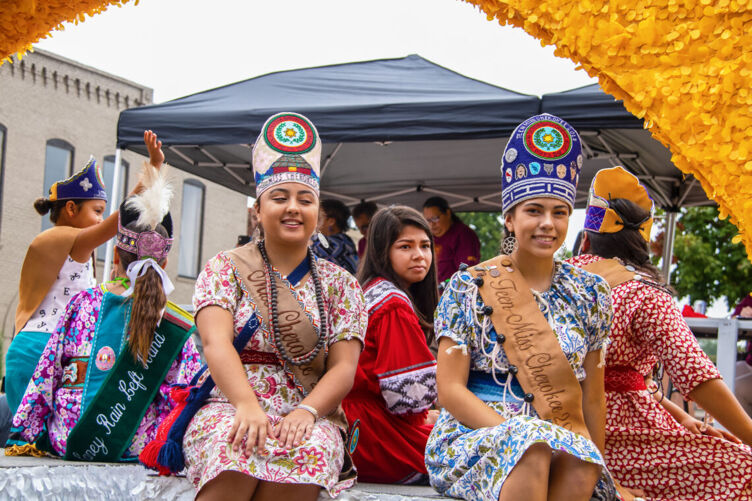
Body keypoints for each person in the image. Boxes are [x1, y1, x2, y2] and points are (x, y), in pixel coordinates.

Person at [425, 114, 619, 501]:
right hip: (474, 436)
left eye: (559, 212)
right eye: (534, 211)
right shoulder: (469, 286)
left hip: (560, 434)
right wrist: (518, 434)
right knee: (532, 448)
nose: (548, 223)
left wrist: (597, 461)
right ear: (510, 219)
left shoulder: (591, 293)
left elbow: (592, 398)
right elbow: (449, 391)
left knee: (581, 460)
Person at [182, 112, 367, 500]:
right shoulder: (226, 268)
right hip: (231, 402)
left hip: (309, 410)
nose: (293, 208)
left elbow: (344, 368)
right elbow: (216, 345)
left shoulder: (341, 284)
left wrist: (306, 413)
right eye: (279, 198)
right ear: (258, 209)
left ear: (318, 212)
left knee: (307, 453)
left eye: (306, 199)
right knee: (232, 447)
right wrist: (246, 406)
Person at [569, 166, 752, 500]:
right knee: (744, 469)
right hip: (621, 440)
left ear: (587, 235)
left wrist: (680, 415)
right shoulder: (642, 293)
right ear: (643, 238)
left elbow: (620, 379)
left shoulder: (559, 279)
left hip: (561, 431)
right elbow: (697, 377)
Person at [7, 162, 202, 460]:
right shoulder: (176, 322)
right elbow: (187, 393)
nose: (100, 217)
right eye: (97, 210)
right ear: (163, 264)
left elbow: (47, 376)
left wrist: (32, 433)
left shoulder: (84, 303)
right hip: (137, 447)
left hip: (69, 439)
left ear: (115, 254)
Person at [4, 131, 163, 418]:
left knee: (48, 443)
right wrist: (151, 170)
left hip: (55, 351)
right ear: (70, 209)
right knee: (31, 444)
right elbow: (119, 220)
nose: (101, 218)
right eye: (97, 211)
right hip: (38, 351)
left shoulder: (74, 248)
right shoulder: (57, 239)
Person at [342, 206, 439, 484]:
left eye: (425, 245)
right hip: (376, 435)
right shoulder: (393, 305)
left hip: (356, 424)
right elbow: (410, 402)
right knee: (475, 448)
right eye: (405, 246)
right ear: (382, 251)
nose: (419, 255)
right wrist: (431, 417)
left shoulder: (370, 289)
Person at [422, 196, 480, 285]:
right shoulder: (427, 237)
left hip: (454, 294)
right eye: (427, 220)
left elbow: (467, 272)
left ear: (448, 213)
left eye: (435, 218)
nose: (431, 224)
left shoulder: (463, 234)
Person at [311, 198, 359, 275]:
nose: (315, 221)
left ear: (331, 221)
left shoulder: (325, 243)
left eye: (319, 218)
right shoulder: (347, 241)